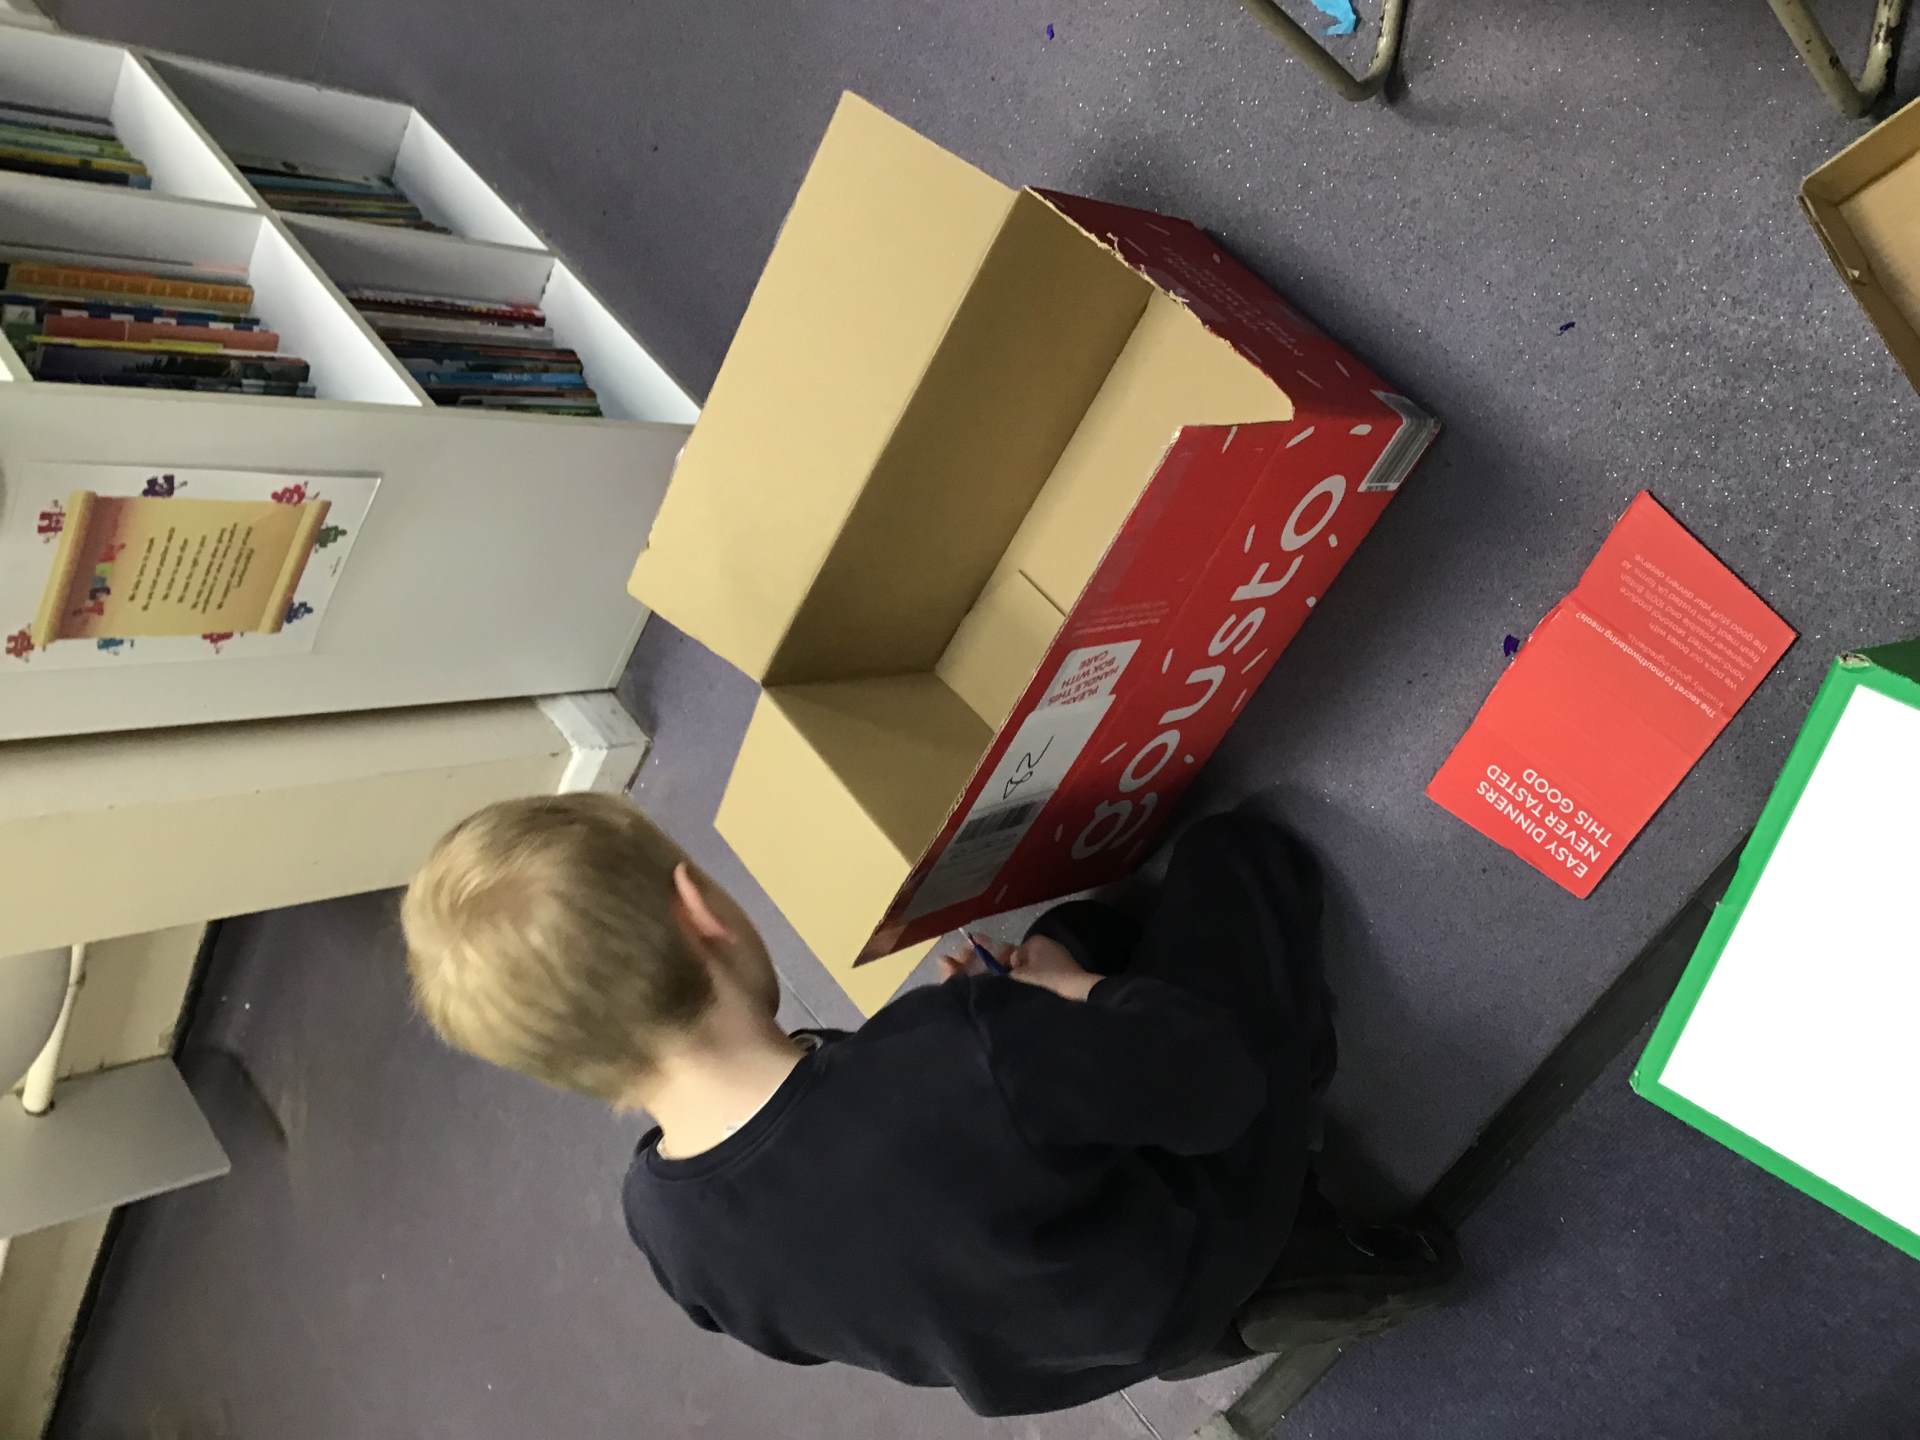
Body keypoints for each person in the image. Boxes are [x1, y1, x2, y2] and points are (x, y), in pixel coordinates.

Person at [400, 793, 1455, 1417]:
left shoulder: (664, 1228)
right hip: (1186, 1239)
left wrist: (993, 1030)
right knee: (1234, 860)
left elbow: (858, 1219)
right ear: (700, 912)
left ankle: (1222, 1319)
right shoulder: (966, 1051)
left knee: (1080, 934)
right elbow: (1213, 1085)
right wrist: (1060, 997)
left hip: (1057, 1355)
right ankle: (1281, 1249)